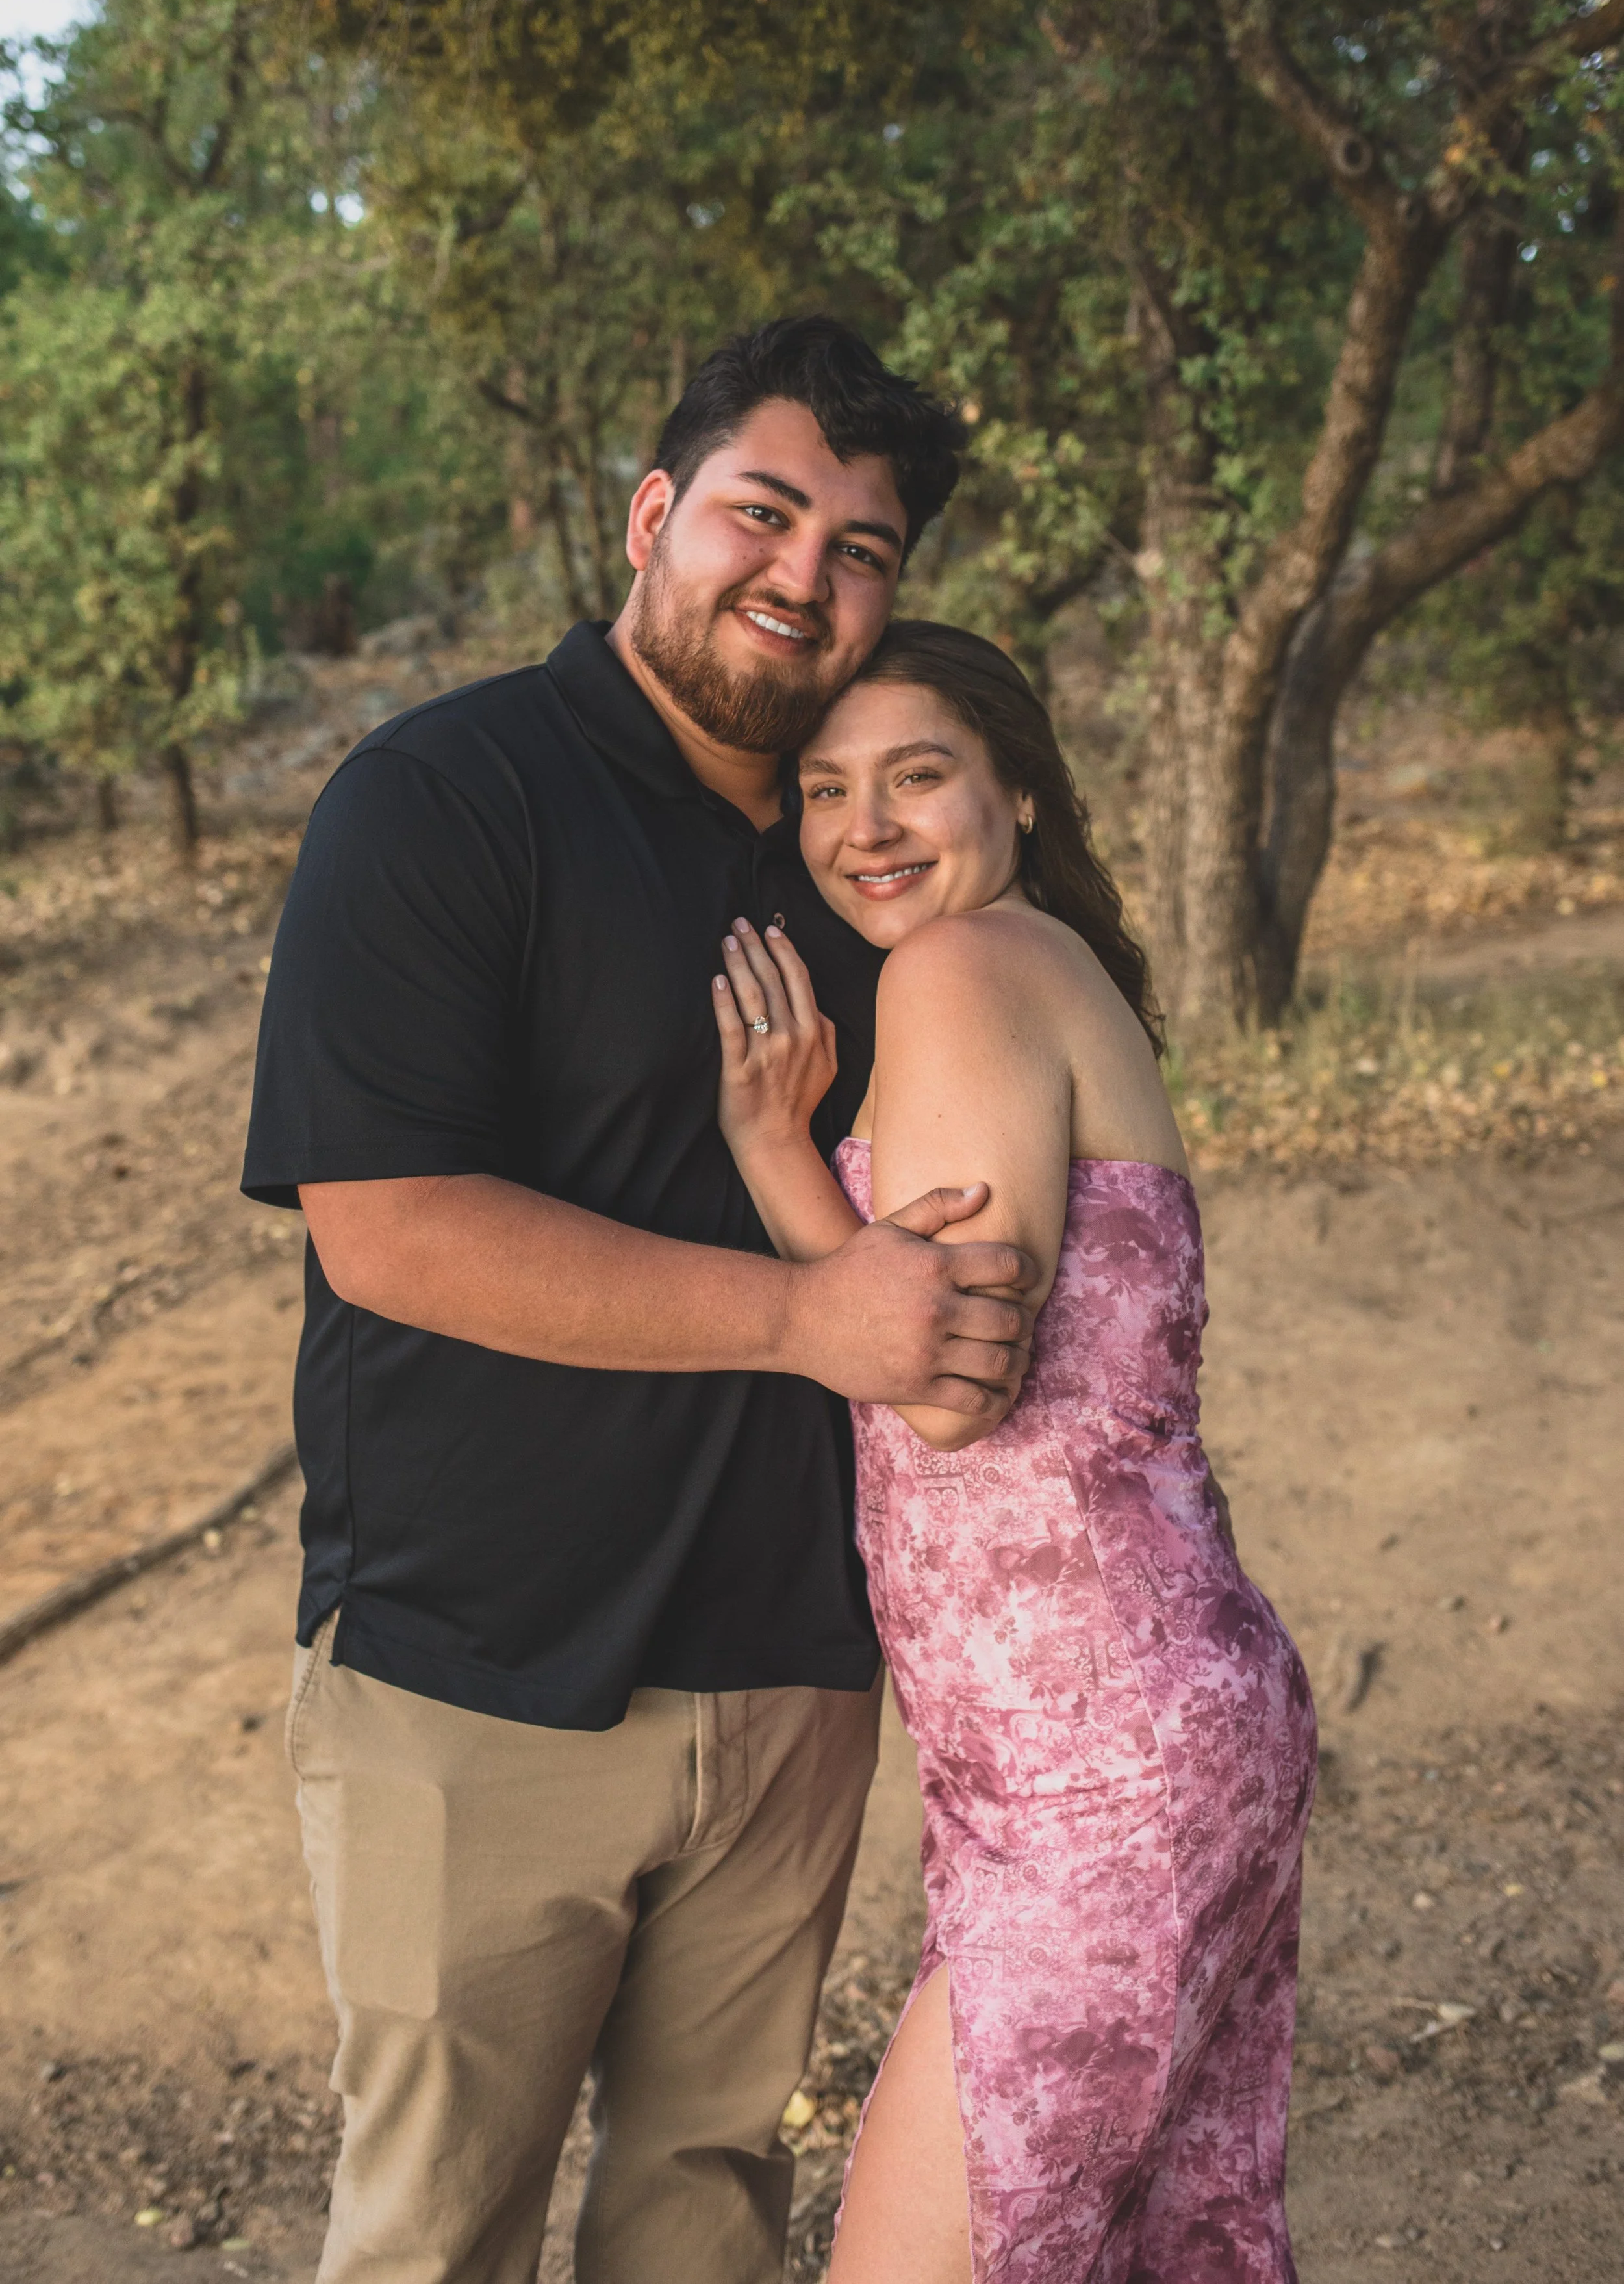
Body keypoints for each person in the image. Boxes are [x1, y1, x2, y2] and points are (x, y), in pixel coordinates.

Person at [240, 320, 1044, 2284]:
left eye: (859, 549)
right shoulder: (439, 799)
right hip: (474, 1663)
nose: (802, 574)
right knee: (436, 2232)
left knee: (702, 2214)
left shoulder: (863, 863)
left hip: (789, 1665)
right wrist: (805, 1318)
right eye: (762, 514)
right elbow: (392, 1228)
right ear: (650, 517)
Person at [712, 620, 1318, 2284]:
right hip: (1145, 1726)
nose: (866, 827)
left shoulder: (957, 972)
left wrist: (775, 1155)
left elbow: (946, 1383)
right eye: (824, 791)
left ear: (1018, 791)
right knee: (1166, 2247)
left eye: (916, 776)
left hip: (1099, 1762)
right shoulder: (1044, 968)